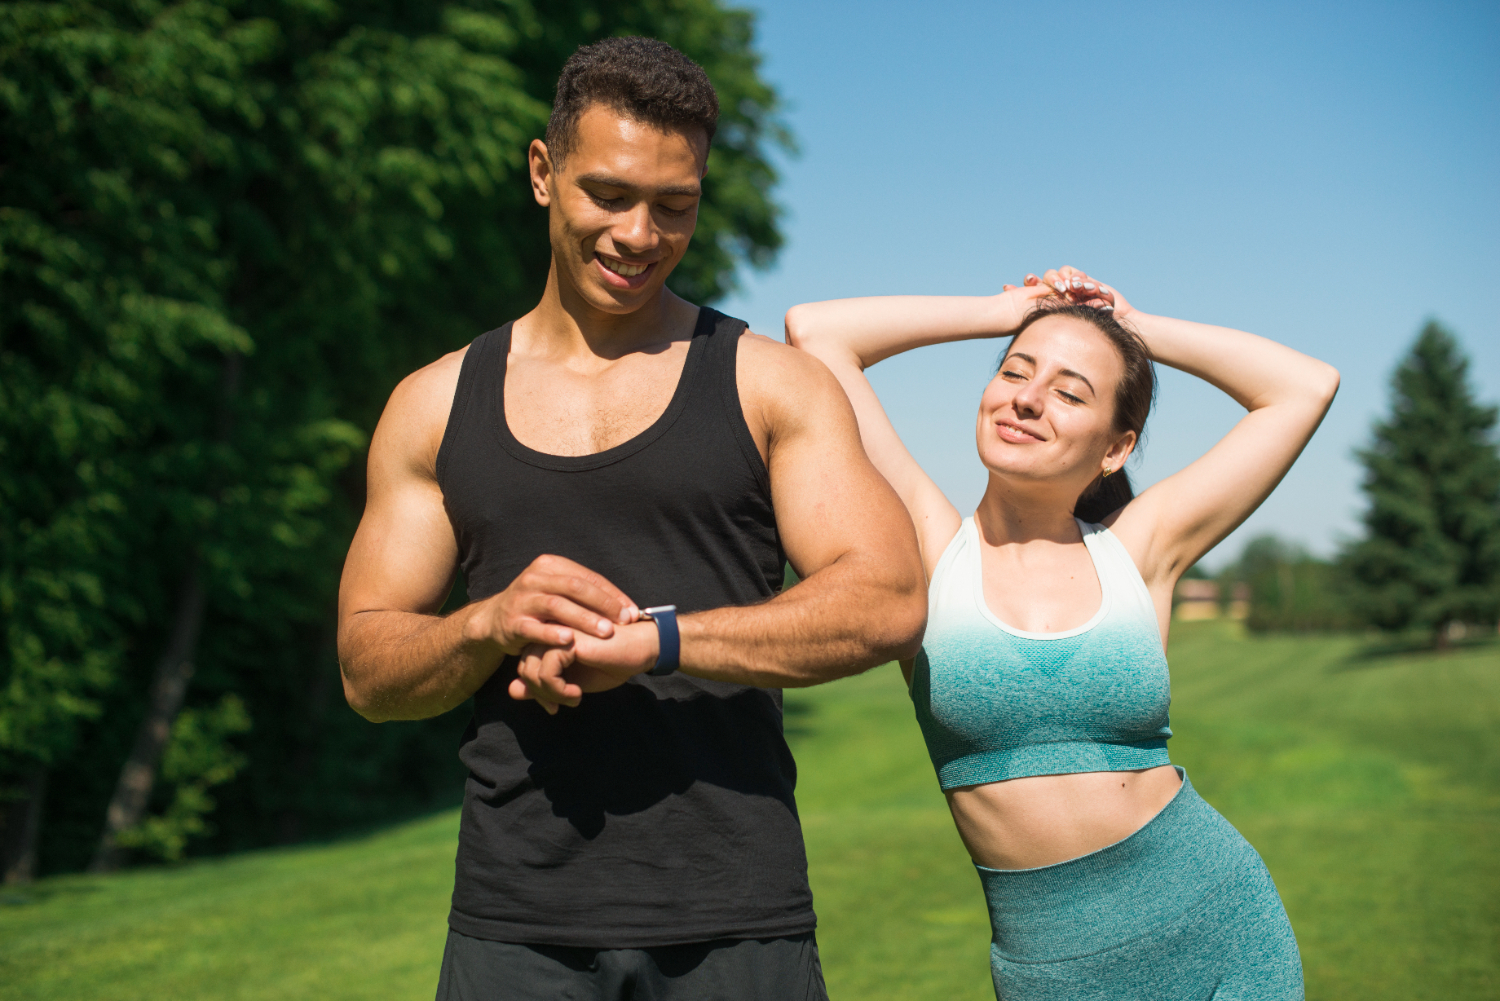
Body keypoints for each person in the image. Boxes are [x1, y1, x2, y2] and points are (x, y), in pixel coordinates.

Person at [335, 37, 926, 1001]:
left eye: (675, 205)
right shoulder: (433, 404)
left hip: (739, 923)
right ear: (542, 172)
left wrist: (657, 642)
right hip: (514, 931)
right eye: (608, 195)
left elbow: (888, 600)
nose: (640, 234)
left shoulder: (770, 384)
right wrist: (486, 624)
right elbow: (367, 667)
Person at [787, 269, 1339, 999]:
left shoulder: (1139, 550)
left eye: (1070, 392)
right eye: (1016, 371)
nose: (1026, 396)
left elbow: (1304, 385)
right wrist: (1005, 311)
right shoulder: (930, 550)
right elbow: (817, 332)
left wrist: (1127, 325)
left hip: (1219, 927)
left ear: (1116, 447)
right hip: (1054, 971)